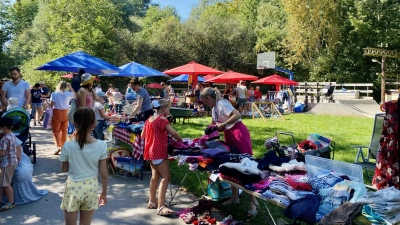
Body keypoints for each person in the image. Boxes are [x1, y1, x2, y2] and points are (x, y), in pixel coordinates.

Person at [200, 87, 258, 218]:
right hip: (230, 136)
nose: (204, 103)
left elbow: (237, 114)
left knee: (245, 168)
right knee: (232, 166)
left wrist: (223, 124)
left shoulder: (222, 104)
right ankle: (235, 197)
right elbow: (214, 126)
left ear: (208, 98)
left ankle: (254, 203)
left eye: (204, 100)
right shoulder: (214, 108)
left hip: (239, 135)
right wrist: (205, 136)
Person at [59, 107, 108, 225]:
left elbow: (64, 169)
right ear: (94, 124)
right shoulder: (102, 145)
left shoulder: (68, 145)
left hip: (73, 187)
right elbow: (104, 173)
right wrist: (104, 193)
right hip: (91, 188)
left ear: (74, 123)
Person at [141, 99, 183, 216]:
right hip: (158, 151)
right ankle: (161, 206)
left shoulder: (148, 120)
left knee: (155, 176)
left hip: (149, 151)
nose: (169, 111)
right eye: (168, 108)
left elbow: (142, 135)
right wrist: (182, 141)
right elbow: (173, 133)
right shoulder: (162, 120)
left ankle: (152, 201)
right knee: (166, 177)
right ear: (164, 109)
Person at [2, 138, 48, 205]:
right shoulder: (12, 139)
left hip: (12, 166)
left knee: (5, 184)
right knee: (5, 183)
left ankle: (10, 202)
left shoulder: (9, 140)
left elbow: (17, 159)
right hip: (12, 165)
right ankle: (9, 201)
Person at [50, 81, 77, 155]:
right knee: (64, 130)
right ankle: (63, 146)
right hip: (65, 112)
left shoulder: (54, 94)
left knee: (56, 130)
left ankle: (58, 146)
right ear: (66, 87)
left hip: (57, 112)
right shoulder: (68, 94)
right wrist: (70, 87)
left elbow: (51, 105)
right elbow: (75, 95)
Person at [0, 117, 18, 212]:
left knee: (5, 184)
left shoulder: (4, 139)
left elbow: (2, 153)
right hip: (13, 161)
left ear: (4, 127)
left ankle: (11, 202)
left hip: (7, 163)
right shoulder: (12, 135)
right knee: (4, 182)